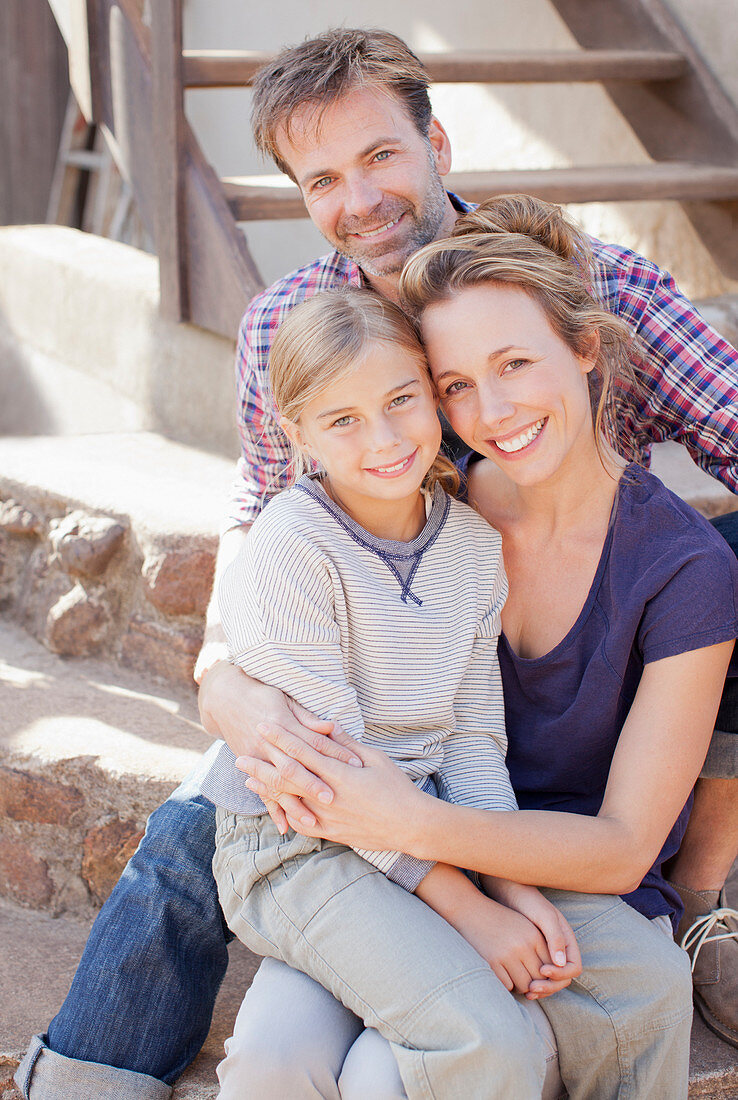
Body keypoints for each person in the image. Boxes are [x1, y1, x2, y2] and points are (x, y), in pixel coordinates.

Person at [15, 27, 738, 1100]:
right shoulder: (290, 326)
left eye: (381, 157)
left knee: (721, 559)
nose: (359, 199)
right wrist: (225, 679)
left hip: (536, 675)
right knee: (209, 816)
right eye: (323, 179)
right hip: (357, 673)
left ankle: (710, 889)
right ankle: (83, 1079)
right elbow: (261, 519)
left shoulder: (589, 286)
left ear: (436, 140)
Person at [217, 194, 736, 1098]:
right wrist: (224, 688)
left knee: (397, 1071)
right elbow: (290, 633)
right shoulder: (423, 497)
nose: (489, 410)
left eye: (515, 363)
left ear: (587, 348)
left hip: (537, 866)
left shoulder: (679, 568)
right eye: (455, 384)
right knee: (272, 1059)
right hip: (358, 853)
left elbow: (611, 844)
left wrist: (431, 840)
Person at [204, 285, 585, 1098]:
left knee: (292, 1060)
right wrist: (473, 910)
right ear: (296, 434)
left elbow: (475, 734)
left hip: (418, 829)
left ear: (432, 392)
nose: (382, 439)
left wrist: (510, 882)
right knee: (484, 1035)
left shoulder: (473, 546)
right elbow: (331, 782)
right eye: (342, 420)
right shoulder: (288, 548)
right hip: (301, 843)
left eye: (400, 401)